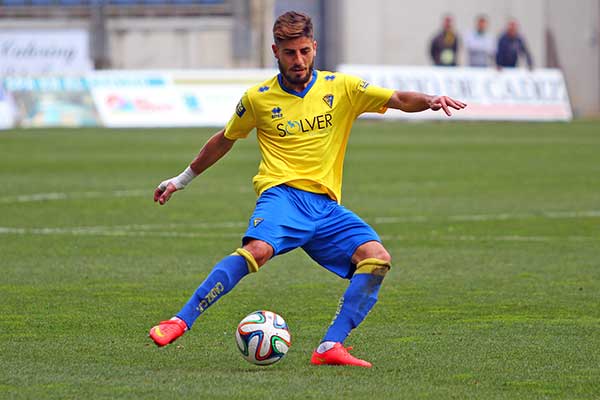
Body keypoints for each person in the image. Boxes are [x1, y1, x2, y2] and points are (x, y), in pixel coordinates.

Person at [149, 11, 466, 368]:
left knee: (376, 258)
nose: (298, 60)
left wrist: (430, 100)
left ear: (314, 47)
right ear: (275, 51)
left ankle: (330, 346)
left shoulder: (341, 87)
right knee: (258, 249)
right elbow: (225, 140)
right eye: (289, 53)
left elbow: (397, 98)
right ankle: (179, 321)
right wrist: (181, 180)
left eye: (304, 51)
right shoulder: (258, 98)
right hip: (282, 195)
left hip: (327, 209)